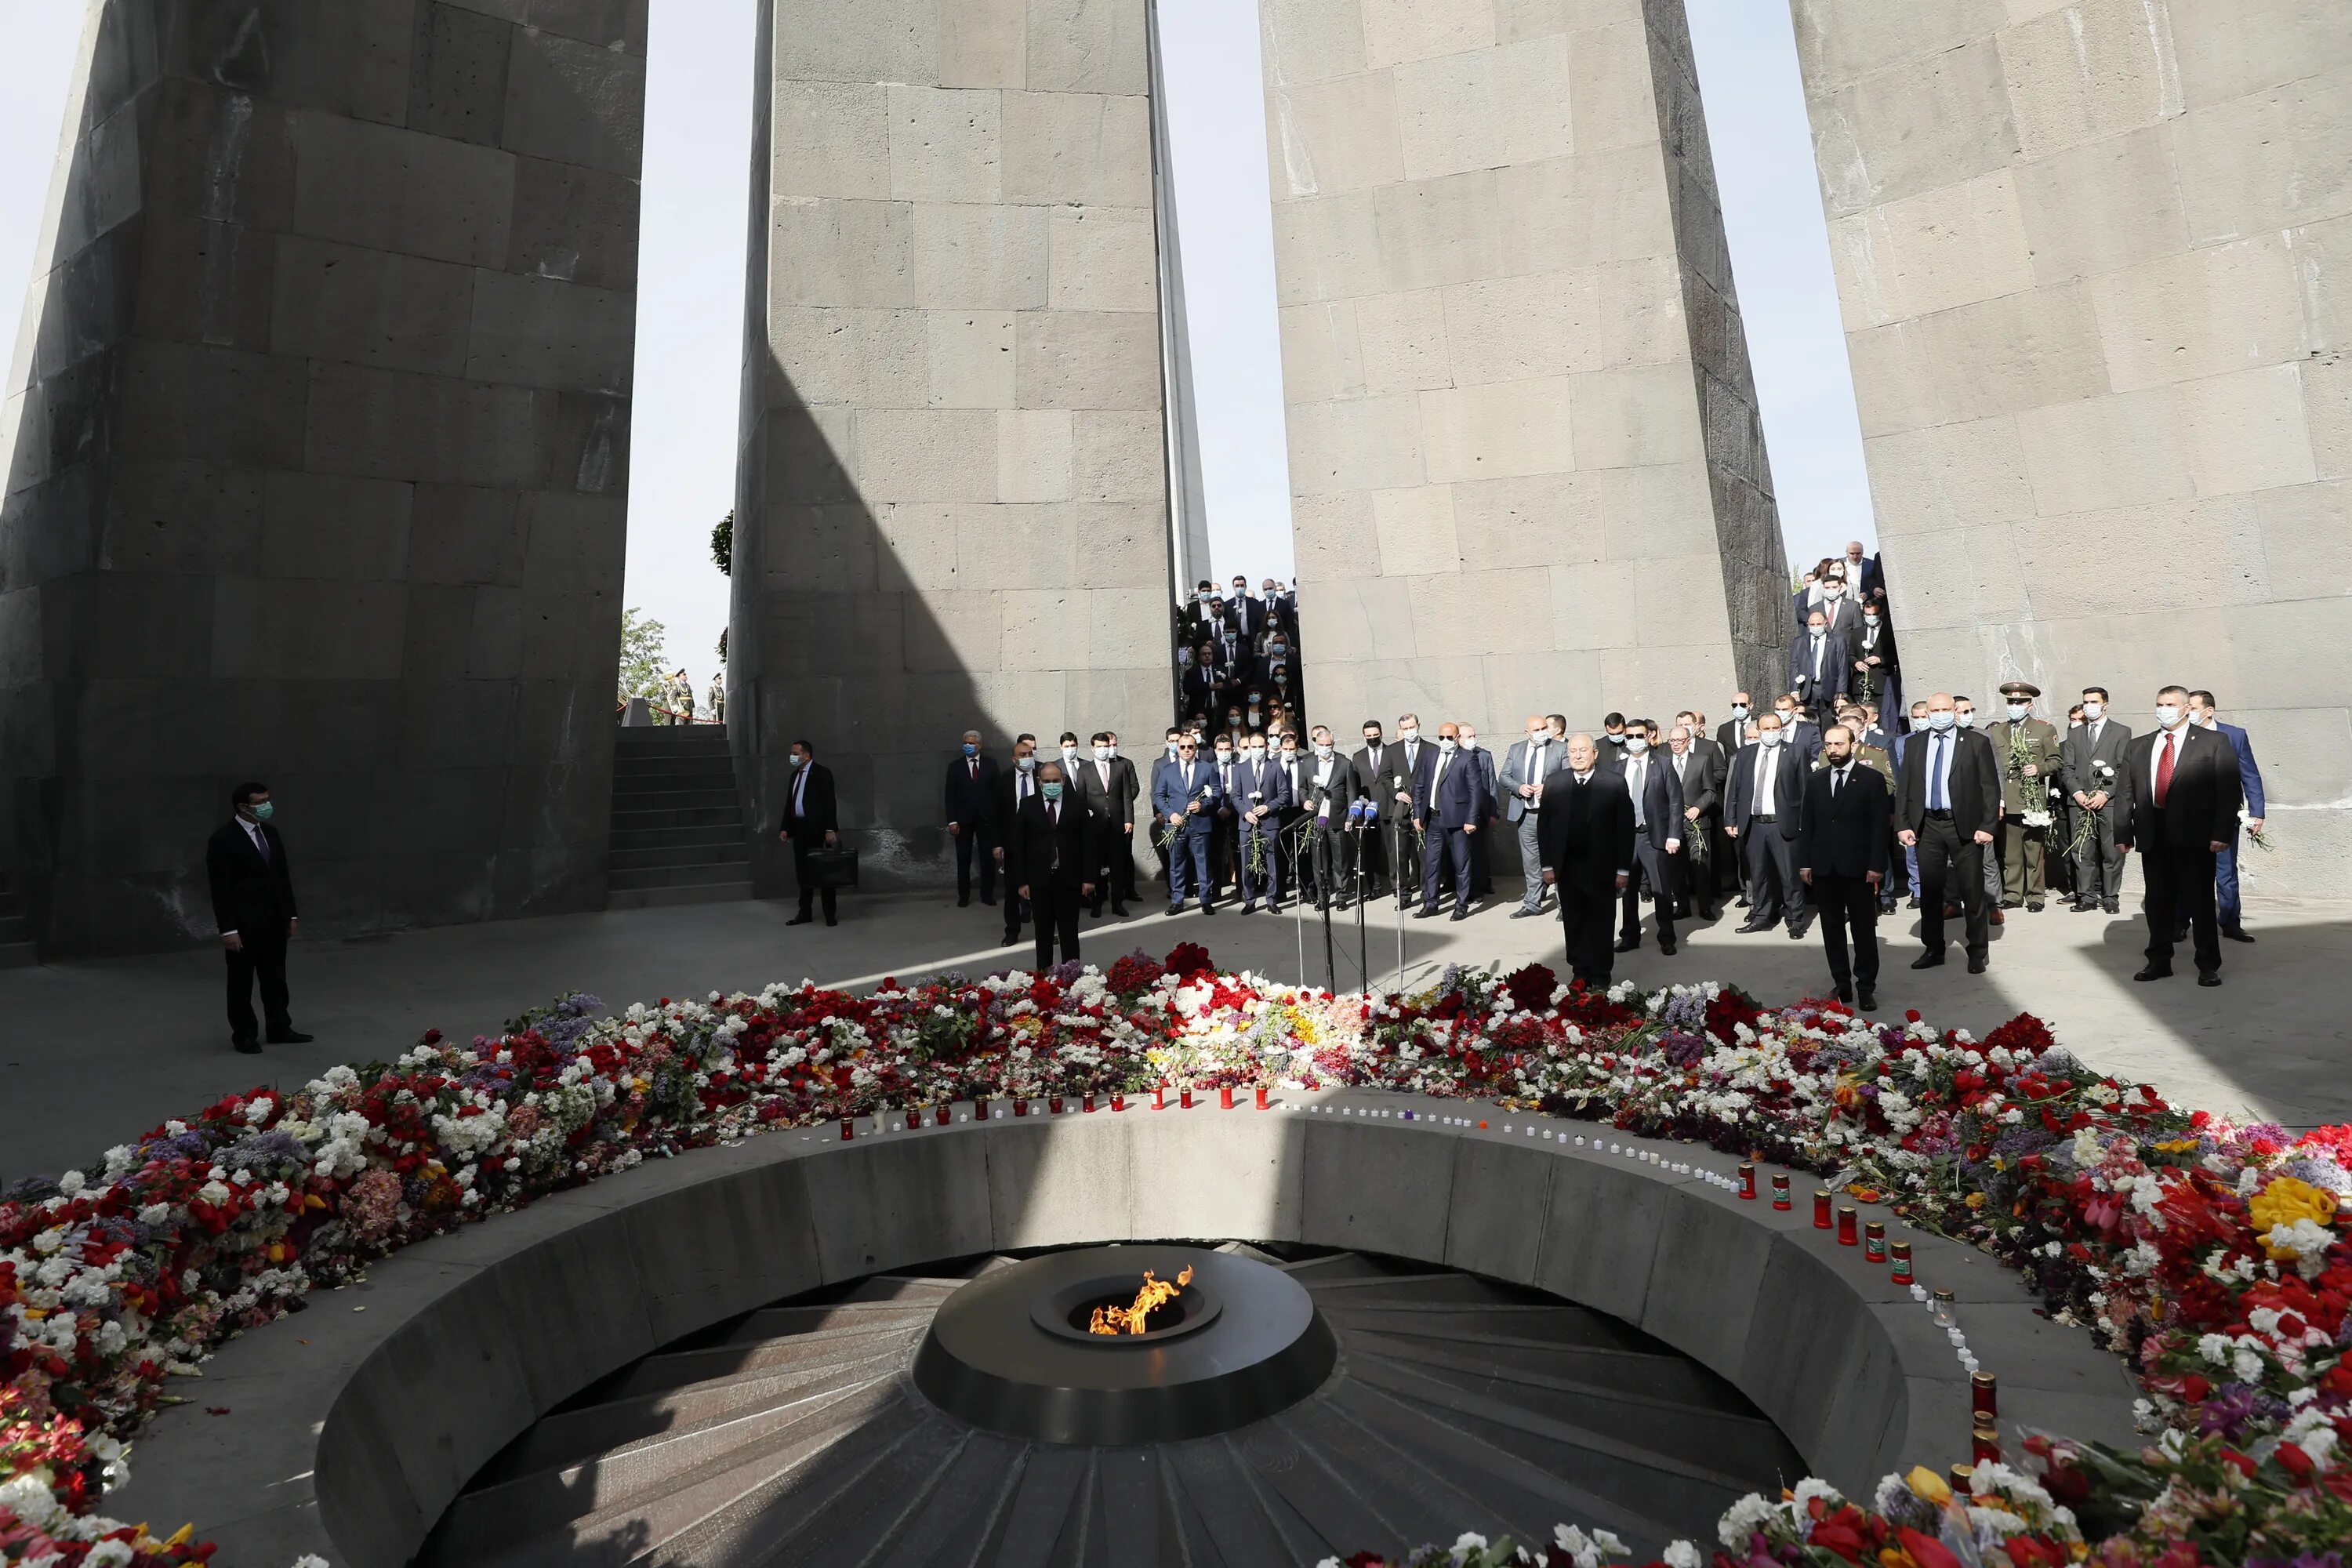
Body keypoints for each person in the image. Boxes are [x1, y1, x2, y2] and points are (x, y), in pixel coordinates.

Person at [2116, 687, 2240, 985]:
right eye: (2159, 704)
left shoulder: (2213, 742)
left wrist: (2221, 832)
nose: (2164, 709)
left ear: (2186, 708)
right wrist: (2122, 831)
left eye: (2171, 704)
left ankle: (2207, 964)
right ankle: (2159, 960)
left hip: (2196, 836)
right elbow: (2125, 793)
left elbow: (2228, 790)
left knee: (2200, 901)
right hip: (2153, 832)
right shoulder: (2139, 746)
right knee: (2158, 902)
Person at [1894, 692, 2000, 973]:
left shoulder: (1976, 743)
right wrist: (1903, 824)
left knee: (1972, 891)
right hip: (1927, 826)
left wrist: (1988, 826)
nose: (1940, 713)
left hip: (1964, 827)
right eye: (1934, 709)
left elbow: (1990, 788)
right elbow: (1904, 787)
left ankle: (1977, 951)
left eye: (1945, 709)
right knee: (1930, 892)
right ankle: (1933, 948)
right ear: (1926, 713)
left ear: (1954, 711)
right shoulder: (1915, 744)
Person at [207, 782, 310, 1054]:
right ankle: (244, 1034)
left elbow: (282, 877)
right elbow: (221, 889)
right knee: (241, 981)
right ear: (243, 806)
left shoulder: (271, 834)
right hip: (244, 924)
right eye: (260, 801)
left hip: (274, 921)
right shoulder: (223, 840)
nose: (267, 805)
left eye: (267, 799)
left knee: (276, 977)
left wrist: (291, 914)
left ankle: (279, 1027)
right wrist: (228, 929)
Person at [1797, 725, 1890, 1009]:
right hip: (1825, 868)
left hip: (1859, 868)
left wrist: (1876, 865)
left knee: (1863, 929)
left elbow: (1879, 827)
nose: (1833, 749)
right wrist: (1805, 863)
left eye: (1839, 744)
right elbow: (1808, 825)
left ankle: (1865, 986)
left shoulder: (1871, 780)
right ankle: (1841, 983)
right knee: (1832, 928)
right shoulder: (1815, 781)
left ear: (1852, 744)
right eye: (1828, 744)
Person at [1537, 735, 1635, 989]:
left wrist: (1623, 869)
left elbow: (1625, 829)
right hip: (1567, 868)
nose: (1577, 756)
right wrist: (1547, 865)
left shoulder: (1613, 783)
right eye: (1572, 751)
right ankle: (1580, 973)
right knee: (1574, 920)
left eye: (1583, 751)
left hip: (1602, 868)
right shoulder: (1555, 782)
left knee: (1601, 921)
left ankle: (1601, 975)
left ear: (1595, 753)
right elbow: (1543, 827)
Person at [2183, 692, 2264, 943]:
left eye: (2193, 708)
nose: (2188, 713)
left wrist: (2257, 812)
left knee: (2225, 872)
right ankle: (2180, 923)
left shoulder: (2235, 735)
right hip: (2188, 817)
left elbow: (2249, 774)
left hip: (2224, 817)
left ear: (2209, 711)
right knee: (2187, 872)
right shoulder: (2180, 735)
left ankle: (2230, 922)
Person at [1724, 713, 1808, 938]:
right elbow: (1735, 790)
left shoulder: (1795, 752)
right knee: (1758, 874)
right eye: (1767, 729)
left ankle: (1795, 919)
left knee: (1789, 875)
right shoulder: (1745, 754)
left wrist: (1803, 824)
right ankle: (1762, 915)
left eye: (1775, 728)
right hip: (1753, 824)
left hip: (1783, 823)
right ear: (1759, 731)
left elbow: (1805, 791)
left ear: (1782, 728)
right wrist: (1731, 819)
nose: (1771, 733)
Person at [1987, 682, 2063, 913]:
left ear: (2030, 705)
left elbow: (2056, 761)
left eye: (2020, 702)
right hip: (2007, 799)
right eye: (2011, 702)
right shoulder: (1996, 731)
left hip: (2032, 800)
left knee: (2033, 850)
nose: (2015, 706)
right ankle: (2013, 893)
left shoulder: (2044, 729)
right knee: (2010, 851)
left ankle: (2035, 895)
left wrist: (2039, 769)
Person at [1012, 762, 1095, 971]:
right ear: (1040, 783)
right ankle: (1045, 976)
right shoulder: (1028, 805)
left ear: (1063, 781)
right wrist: (1022, 881)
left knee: (1069, 931)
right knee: (1043, 932)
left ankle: (1071, 974)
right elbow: (1019, 846)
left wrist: (1089, 878)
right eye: (1047, 781)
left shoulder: (1077, 803)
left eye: (1055, 781)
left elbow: (1089, 843)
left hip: (1070, 878)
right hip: (1039, 880)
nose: (1051, 785)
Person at [2060, 688, 2130, 914]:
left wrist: (2105, 794)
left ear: (2105, 704)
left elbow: (2123, 768)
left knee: (2111, 851)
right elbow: (2067, 769)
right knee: (2082, 851)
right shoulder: (2075, 734)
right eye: (2086, 702)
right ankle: (2087, 896)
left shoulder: (2121, 732)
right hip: (2079, 803)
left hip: (2107, 802)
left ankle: (2110, 896)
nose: (2089, 706)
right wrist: (2078, 793)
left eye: (2094, 701)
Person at [1615, 724, 1684, 955]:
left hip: (1654, 836)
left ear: (1649, 736)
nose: (1635, 740)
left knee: (1661, 889)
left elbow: (1676, 802)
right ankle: (1630, 936)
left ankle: (1666, 937)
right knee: (1628, 890)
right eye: (1630, 736)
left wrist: (1673, 835)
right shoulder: (1617, 767)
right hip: (1626, 838)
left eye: (1639, 735)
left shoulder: (1663, 764)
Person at [1411, 723, 1488, 921]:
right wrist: (1418, 814)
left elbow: (1475, 791)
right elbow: (1419, 785)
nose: (1445, 741)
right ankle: (1430, 903)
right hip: (1433, 820)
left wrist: (1471, 819)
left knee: (1461, 865)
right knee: (1432, 864)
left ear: (1457, 738)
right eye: (1441, 738)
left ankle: (1461, 905)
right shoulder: (1430, 756)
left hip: (1458, 822)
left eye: (1449, 738)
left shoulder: (1467, 757)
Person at [774, 739, 840, 927]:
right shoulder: (795, 776)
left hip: (818, 830)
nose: (792, 756)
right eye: (792, 753)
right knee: (803, 873)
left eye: (795, 753)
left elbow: (830, 803)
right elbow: (790, 803)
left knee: (825, 872)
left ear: (806, 755)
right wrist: (785, 828)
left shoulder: (822, 774)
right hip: (800, 830)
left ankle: (830, 914)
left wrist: (830, 829)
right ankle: (805, 912)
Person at [1152, 736, 1221, 915]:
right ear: (1177, 747)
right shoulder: (1168, 770)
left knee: (1204, 864)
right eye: (1182, 746)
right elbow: (1158, 796)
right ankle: (1177, 901)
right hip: (1177, 825)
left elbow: (1217, 792)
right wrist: (1171, 814)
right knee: (1176, 864)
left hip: (1201, 823)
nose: (1186, 749)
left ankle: (1206, 900)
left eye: (1190, 746)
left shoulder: (1207, 768)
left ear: (1196, 748)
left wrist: (1203, 804)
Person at [1077, 731, 1140, 917]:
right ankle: (1097, 902)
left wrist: (1129, 819)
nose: (1103, 750)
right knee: (1096, 865)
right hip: (1095, 825)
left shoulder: (1120, 767)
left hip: (1118, 823)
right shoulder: (1084, 770)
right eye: (1099, 746)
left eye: (1106, 746)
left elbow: (1127, 796)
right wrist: (1083, 822)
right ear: (1092, 748)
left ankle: (1117, 903)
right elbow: (1080, 798)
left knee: (1118, 865)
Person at [1666, 722, 1723, 921]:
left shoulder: (1701, 761)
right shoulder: (1663, 761)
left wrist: (1698, 807)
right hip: (1672, 824)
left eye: (1679, 740)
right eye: (1672, 740)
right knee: (1676, 868)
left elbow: (1710, 791)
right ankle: (1682, 907)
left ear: (1688, 741)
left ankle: (1705, 907)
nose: (1675, 744)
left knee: (1700, 867)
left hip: (1697, 822)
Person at [1500, 716, 1555, 918]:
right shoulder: (1516, 749)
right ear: (1527, 733)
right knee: (1531, 862)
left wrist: (1549, 788)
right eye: (1536, 729)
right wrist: (1519, 787)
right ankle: (1533, 903)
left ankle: (1564, 905)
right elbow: (1504, 776)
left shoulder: (1558, 749)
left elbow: (1568, 775)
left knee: (1557, 859)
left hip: (1552, 815)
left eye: (1544, 728)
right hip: (1526, 814)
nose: (1541, 732)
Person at [1299, 726, 1358, 909]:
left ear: (1333, 744)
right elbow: (1302, 788)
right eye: (1322, 744)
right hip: (1316, 819)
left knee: (1340, 860)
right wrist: (1305, 802)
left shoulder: (1344, 763)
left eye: (1329, 744)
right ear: (1316, 744)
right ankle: (1322, 897)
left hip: (1337, 817)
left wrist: (1350, 816)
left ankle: (1341, 896)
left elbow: (1352, 793)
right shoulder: (1308, 763)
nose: (1325, 747)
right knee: (1319, 861)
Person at [1233, 731, 1291, 913]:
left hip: (1269, 822)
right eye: (1254, 747)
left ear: (1266, 747)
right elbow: (1235, 795)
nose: (1258, 750)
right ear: (1249, 748)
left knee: (1272, 861)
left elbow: (1284, 794)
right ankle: (1249, 900)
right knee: (1246, 863)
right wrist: (1245, 812)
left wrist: (1268, 807)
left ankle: (1272, 899)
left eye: (1261, 747)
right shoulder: (1240, 768)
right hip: (1247, 823)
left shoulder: (1275, 767)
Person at [993, 735, 1041, 945]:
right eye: (1023, 755)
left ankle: (1046, 929)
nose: (1027, 758)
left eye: (1030, 754)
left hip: (1040, 842)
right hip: (1014, 844)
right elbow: (995, 814)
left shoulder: (1044, 774)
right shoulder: (1003, 780)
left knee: (1043, 890)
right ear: (1014, 759)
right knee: (1013, 891)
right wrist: (997, 843)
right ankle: (1012, 931)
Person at [944, 731, 1000, 909]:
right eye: (966, 742)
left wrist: (996, 818)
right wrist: (952, 821)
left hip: (986, 819)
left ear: (980, 745)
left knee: (988, 859)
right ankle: (964, 896)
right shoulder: (955, 767)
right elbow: (949, 796)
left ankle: (987, 894)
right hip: (963, 820)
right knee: (963, 859)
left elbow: (997, 793)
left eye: (972, 743)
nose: (968, 745)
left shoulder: (991, 765)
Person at [1353, 720, 1403, 898]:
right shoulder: (1358, 757)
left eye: (1376, 735)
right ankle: (1375, 887)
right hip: (1369, 811)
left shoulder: (1392, 753)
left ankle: (1397, 885)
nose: (1373, 739)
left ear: (1381, 733)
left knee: (1393, 850)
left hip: (1389, 807)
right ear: (1364, 736)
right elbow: (1356, 785)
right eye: (1369, 736)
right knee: (1371, 851)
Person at [1461, 724, 1497, 899]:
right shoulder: (1453, 757)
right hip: (1459, 812)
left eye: (1474, 735)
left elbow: (1492, 785)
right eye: (1468, 736)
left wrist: (1493, 812)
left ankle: (1479, 888)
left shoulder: (1484, 756)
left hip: (1480, 812)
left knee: (1479, 853)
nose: (1473, 739)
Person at [1789, 608, 1849, 708]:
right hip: (1806, 690)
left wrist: (1841, 693)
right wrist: (1794, 690)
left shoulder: (1837, 641)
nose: (1816, 627)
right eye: (1812, 625)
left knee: (1829, 722)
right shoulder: (1799, 642)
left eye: (1819, 624)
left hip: (1830, 690)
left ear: (1825, 624)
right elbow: (1794, 666)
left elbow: (1842, 668)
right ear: (1808, 625)